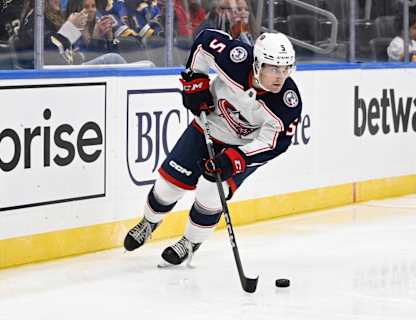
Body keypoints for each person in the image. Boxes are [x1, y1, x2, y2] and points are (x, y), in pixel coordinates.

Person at [123, 30, 302, 267]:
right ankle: (149, 222)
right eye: (273, 69)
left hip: (241, 148)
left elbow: (274, 143)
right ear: (257, 64)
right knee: (168, 186)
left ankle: (189, 242)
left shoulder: (287, 103)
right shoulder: (235, 59)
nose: (280, 76)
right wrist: (195, 81)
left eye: (285, 68)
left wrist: (235, 159)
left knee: (211, 191)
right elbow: (204, 41)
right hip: (207, 126)